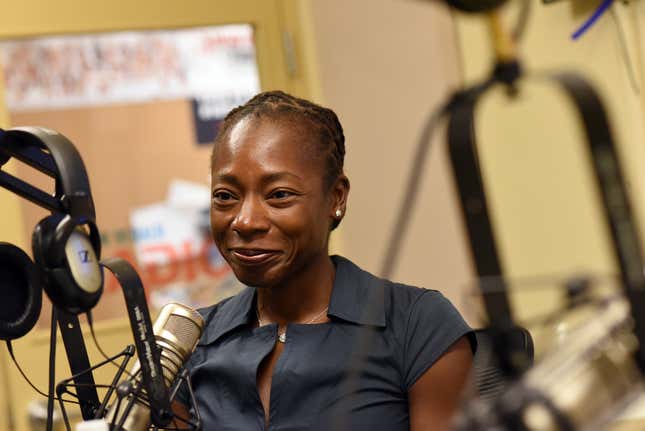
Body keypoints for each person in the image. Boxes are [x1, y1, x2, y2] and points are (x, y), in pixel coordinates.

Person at [176, 90, 474, 430]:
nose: (245, 221)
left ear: (336, 197)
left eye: (279, 195)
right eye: (225, 196)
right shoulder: (190, 341)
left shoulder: (418, 327)